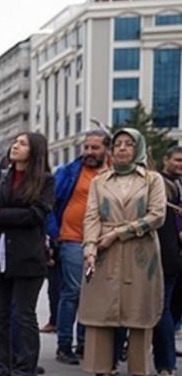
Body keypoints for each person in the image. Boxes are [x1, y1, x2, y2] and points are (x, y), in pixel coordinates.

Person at [79, 128, 166, 376]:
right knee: (101, 307)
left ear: (138, 148)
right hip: (104, 249)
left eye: (129, 144)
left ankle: (140, 369)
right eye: (118, 144)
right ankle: (100, 367)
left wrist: (118, 233)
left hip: (140, 249)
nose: (122, 148)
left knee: (140, 307)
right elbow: (92, 216)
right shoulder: (100, 181)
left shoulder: (151, 179)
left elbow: (157, 215)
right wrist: (90, 248)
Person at [0, 132, 53, 376]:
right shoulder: (0, 177)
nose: (15, 146)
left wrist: (0, 214)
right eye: (15, 142)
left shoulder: (45, 181)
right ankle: (0, 367)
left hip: (28, 257)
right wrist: (1, 214)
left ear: (35, 151)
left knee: (23, 315)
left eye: (23, 143)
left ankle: (25, 370)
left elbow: (36, 215)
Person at [49, 130, 112, 364]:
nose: (89, 152)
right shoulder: (69, 172)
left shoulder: (113, 174)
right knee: (74, 291)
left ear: (106, 150)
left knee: (93, 293)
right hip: (73, 239)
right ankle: (64, 344)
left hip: (104, 241)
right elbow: (51, 203)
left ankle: (85, 343)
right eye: (86, 147)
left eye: (95, 148)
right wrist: (54, 233)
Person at [153, 146, 182, 376]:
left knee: (168, 310)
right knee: (163, 309)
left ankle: (166, 361)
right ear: (166, 159)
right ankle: (165, 362)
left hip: (173, 257)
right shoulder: (160, 183)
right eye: (177, 160)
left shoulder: (177, 185)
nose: (180, 164)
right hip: (163, 254)